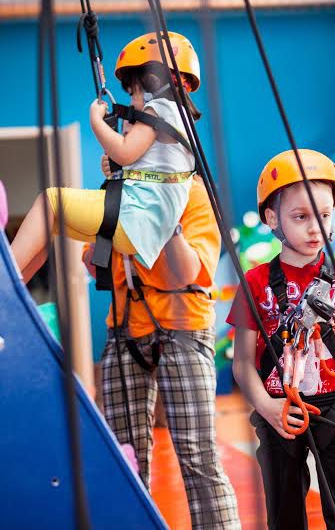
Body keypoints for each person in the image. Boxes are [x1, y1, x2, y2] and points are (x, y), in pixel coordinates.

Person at [228, 149, 335, 530]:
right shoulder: (255, 283)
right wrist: (266, 407)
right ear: (272, 219)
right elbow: (242, 364)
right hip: (278, 410)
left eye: (324, 216)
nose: (316, 229)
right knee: (285, 519)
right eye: (301, 217)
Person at [82, 169, 241, 527]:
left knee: (197, 454)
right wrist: (110, 215)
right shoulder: (115, 192)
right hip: (124, 326)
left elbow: (184, 272)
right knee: (124, 456)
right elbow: (97, 268)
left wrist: (163, 208)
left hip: (183, 324)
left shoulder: (192, 191)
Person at [11, 31, 202, 282]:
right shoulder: (179, 117)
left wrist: (96, 122)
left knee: (50, 201)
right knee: (51, 223)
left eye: (133, 93)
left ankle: (6, 277)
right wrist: (120, 169)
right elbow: (141, 163)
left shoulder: (160, 107)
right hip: (143, 224)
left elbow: (124, 152)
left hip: (135, 218)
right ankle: (14, 289)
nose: (132, 103)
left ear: (153, 82)